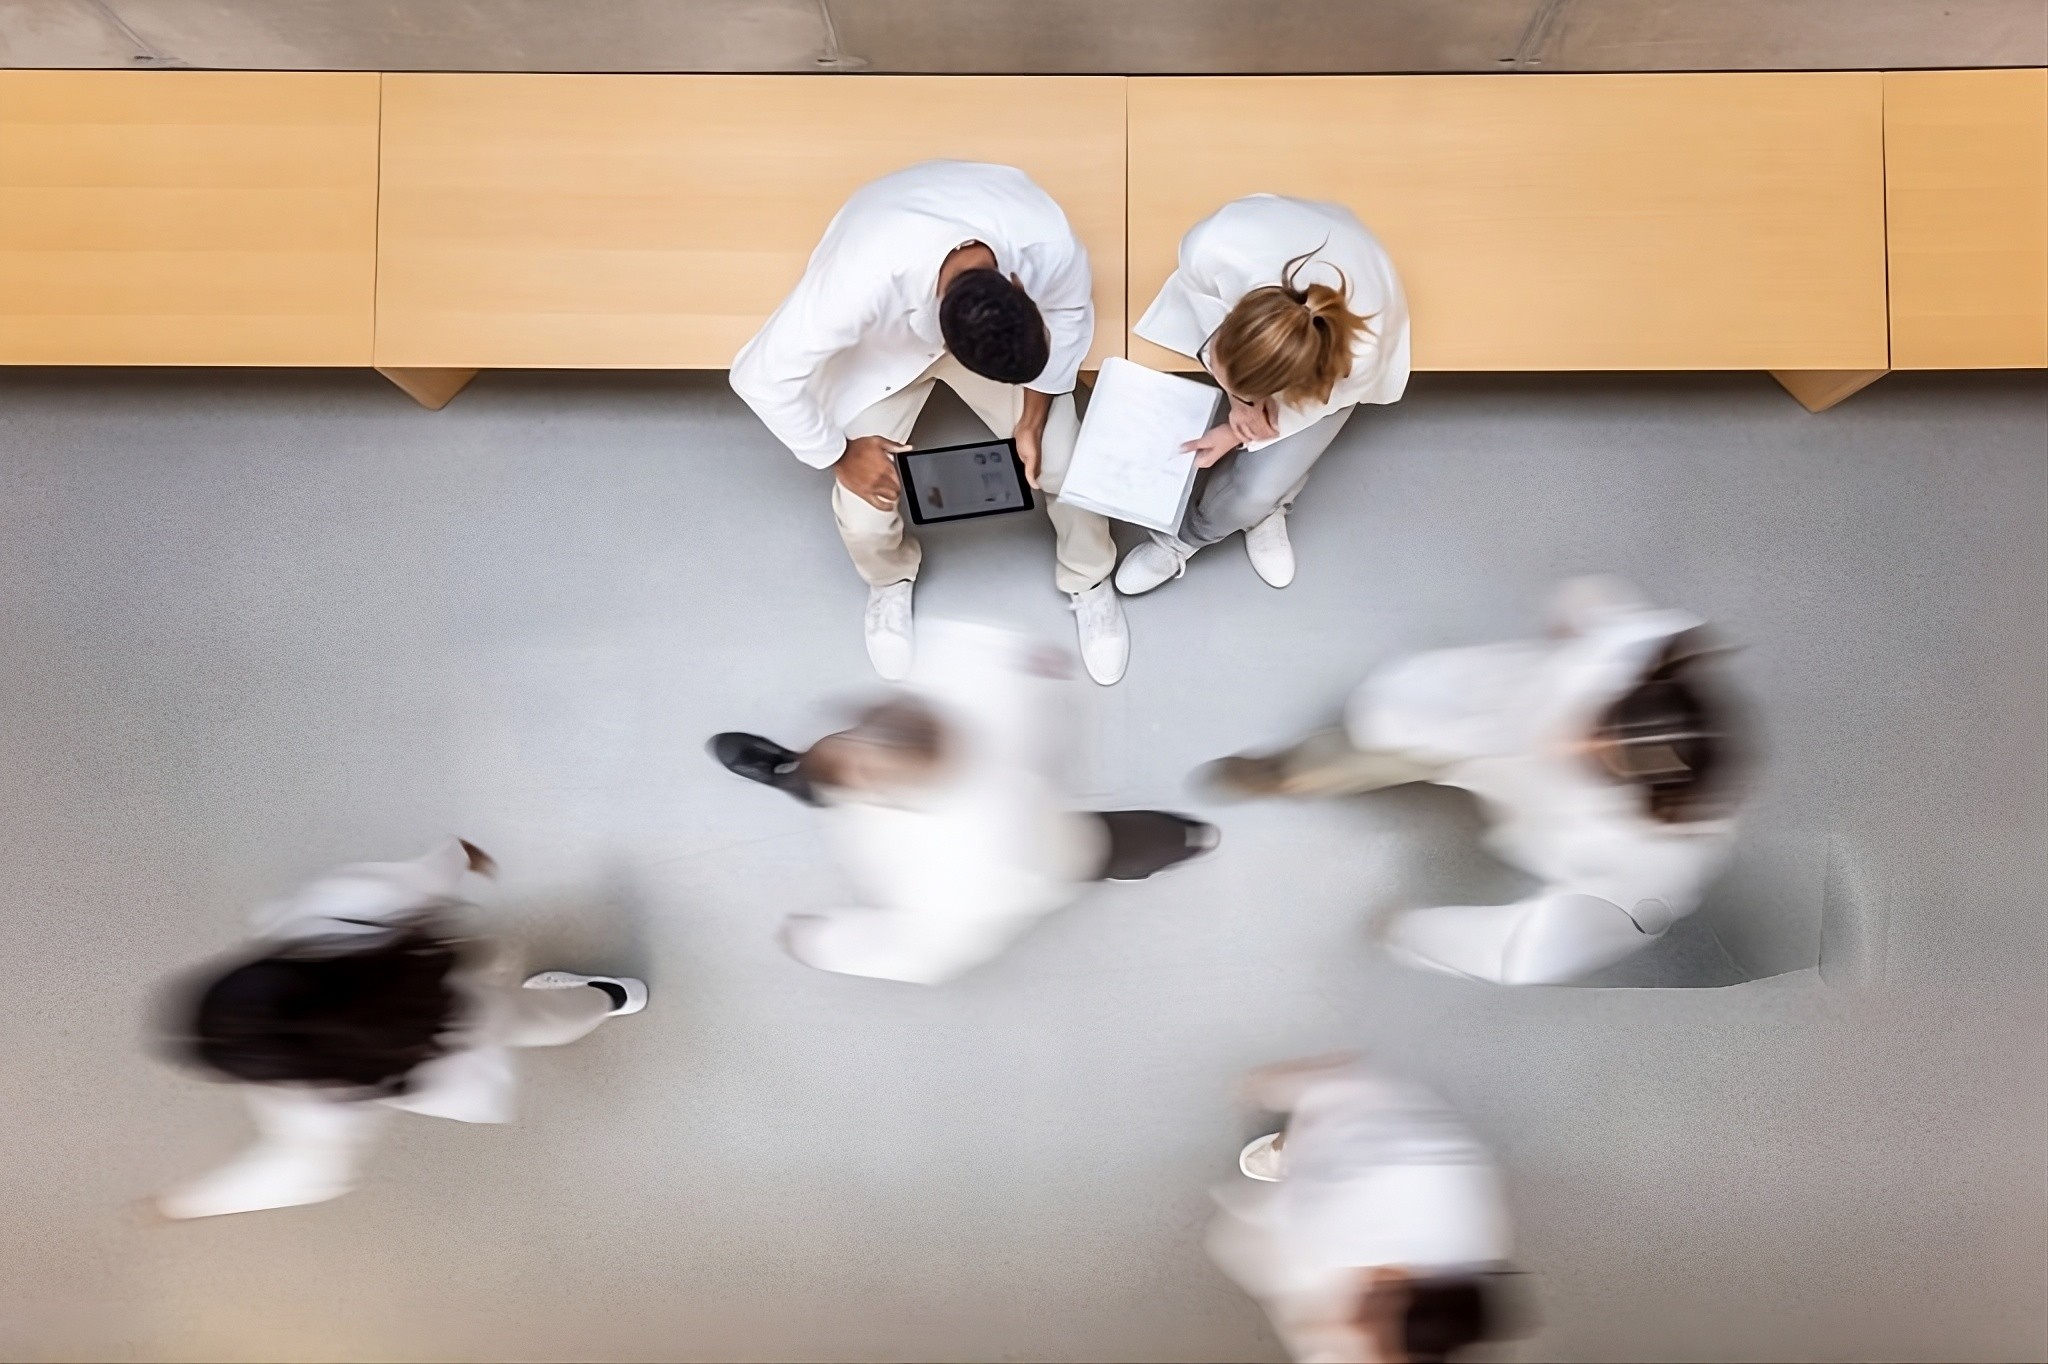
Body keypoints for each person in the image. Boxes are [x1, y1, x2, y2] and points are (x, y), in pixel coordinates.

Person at [1202, 577, 1747, 985]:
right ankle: (1285, 774)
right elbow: (1589, 602)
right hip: (1457, 719)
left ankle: (1304, 773)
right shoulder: (1634, 649)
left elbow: (1528, 949)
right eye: (1600, 726)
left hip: (1512, 791)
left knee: (1422, 760)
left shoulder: (1654, 856)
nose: (1572, 745)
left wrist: (1417, 934)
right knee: (1351, 751)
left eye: (1603, 762)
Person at [731, 160, 1128, 685]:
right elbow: (757, 375)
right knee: (865, 511)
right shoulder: (856, 284)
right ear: (938, 335)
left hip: (966, 309)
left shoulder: (1046, 241)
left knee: (1067, 460)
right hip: (881, 349)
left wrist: (1031, 418)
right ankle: (888, 579)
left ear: (1017, 284)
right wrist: (839, 455)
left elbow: (1071, 314)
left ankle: (1090, 577)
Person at [152, 839, 646, 1218]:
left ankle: (608, 999)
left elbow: (299, 1170)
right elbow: (397, 884)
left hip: (441, 1040)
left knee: (542, 1023)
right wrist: (454, 857)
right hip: (423, 977)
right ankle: (607, 995)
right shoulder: (316, 924)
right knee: (526, 1002)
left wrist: (191, 1203)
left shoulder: (322, 1092)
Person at [709, 619, 1216, 984]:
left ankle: (1181, 839)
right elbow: (1005, 660)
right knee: (821, 771)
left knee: (1107, 846)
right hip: (1011, 791)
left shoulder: (962, 876)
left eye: (861, 765)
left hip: (1050, 843)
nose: (856, 756)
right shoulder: (970, 689)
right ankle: (792, 773)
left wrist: (826, 943)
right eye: (861, 739)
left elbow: (920, 950)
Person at [1115, 195, 1409, 596]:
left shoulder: (1359, 360)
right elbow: (1196, 292)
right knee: (1260, 471)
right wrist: (1238, 406)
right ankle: (1242, 513)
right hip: (1291, 231)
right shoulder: (1213, 245)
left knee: (1258, 489)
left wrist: (1237, 432)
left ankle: (1211, 531)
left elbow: (1315, 404)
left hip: (1364, 301)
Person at [1207, 1055, 1519, 1363]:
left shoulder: (1476, 1243)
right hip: (1343, 1125)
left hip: (1397, 1123)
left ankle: (1299, 1146)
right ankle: (1291, 1151)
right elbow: (1242, 1234)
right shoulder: (1329, 1237)